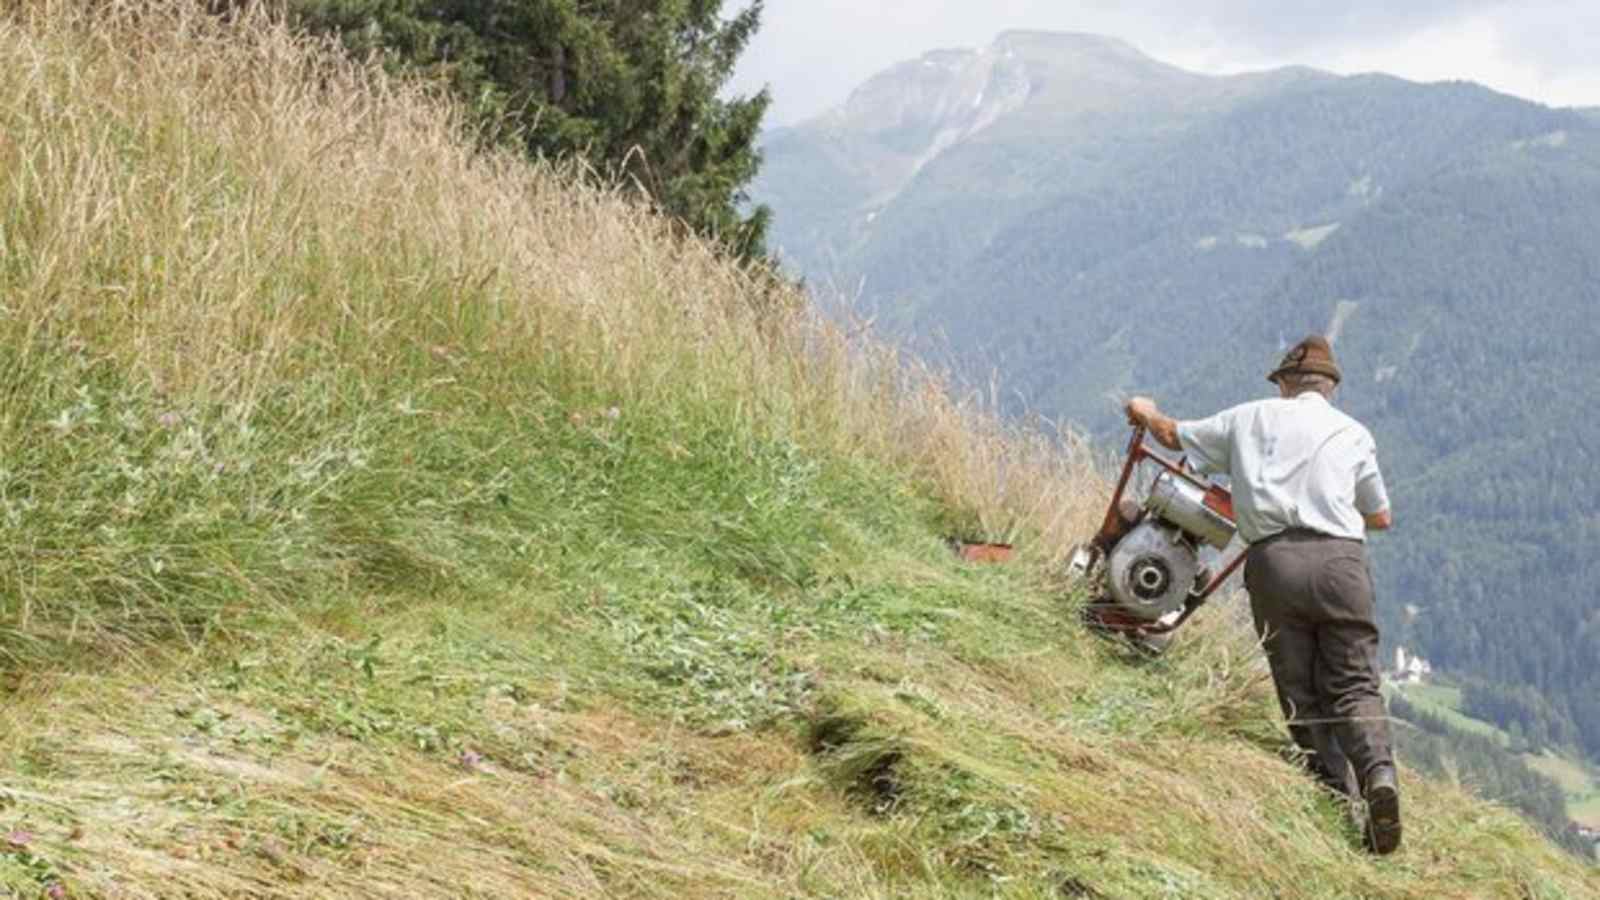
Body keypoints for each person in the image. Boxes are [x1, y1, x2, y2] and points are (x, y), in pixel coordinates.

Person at [1122, 334, 1402, 855]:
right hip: (1343, 564)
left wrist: (1144, 409)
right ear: (1329, 387)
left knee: (1299, 686)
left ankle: (1336, 798)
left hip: (1275, 564)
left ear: (1287, 383)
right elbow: (1381, 517)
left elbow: (1170, 435)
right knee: (1356, 681)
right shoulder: (1355, 434)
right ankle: (1380, 776)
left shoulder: (1250, 418)